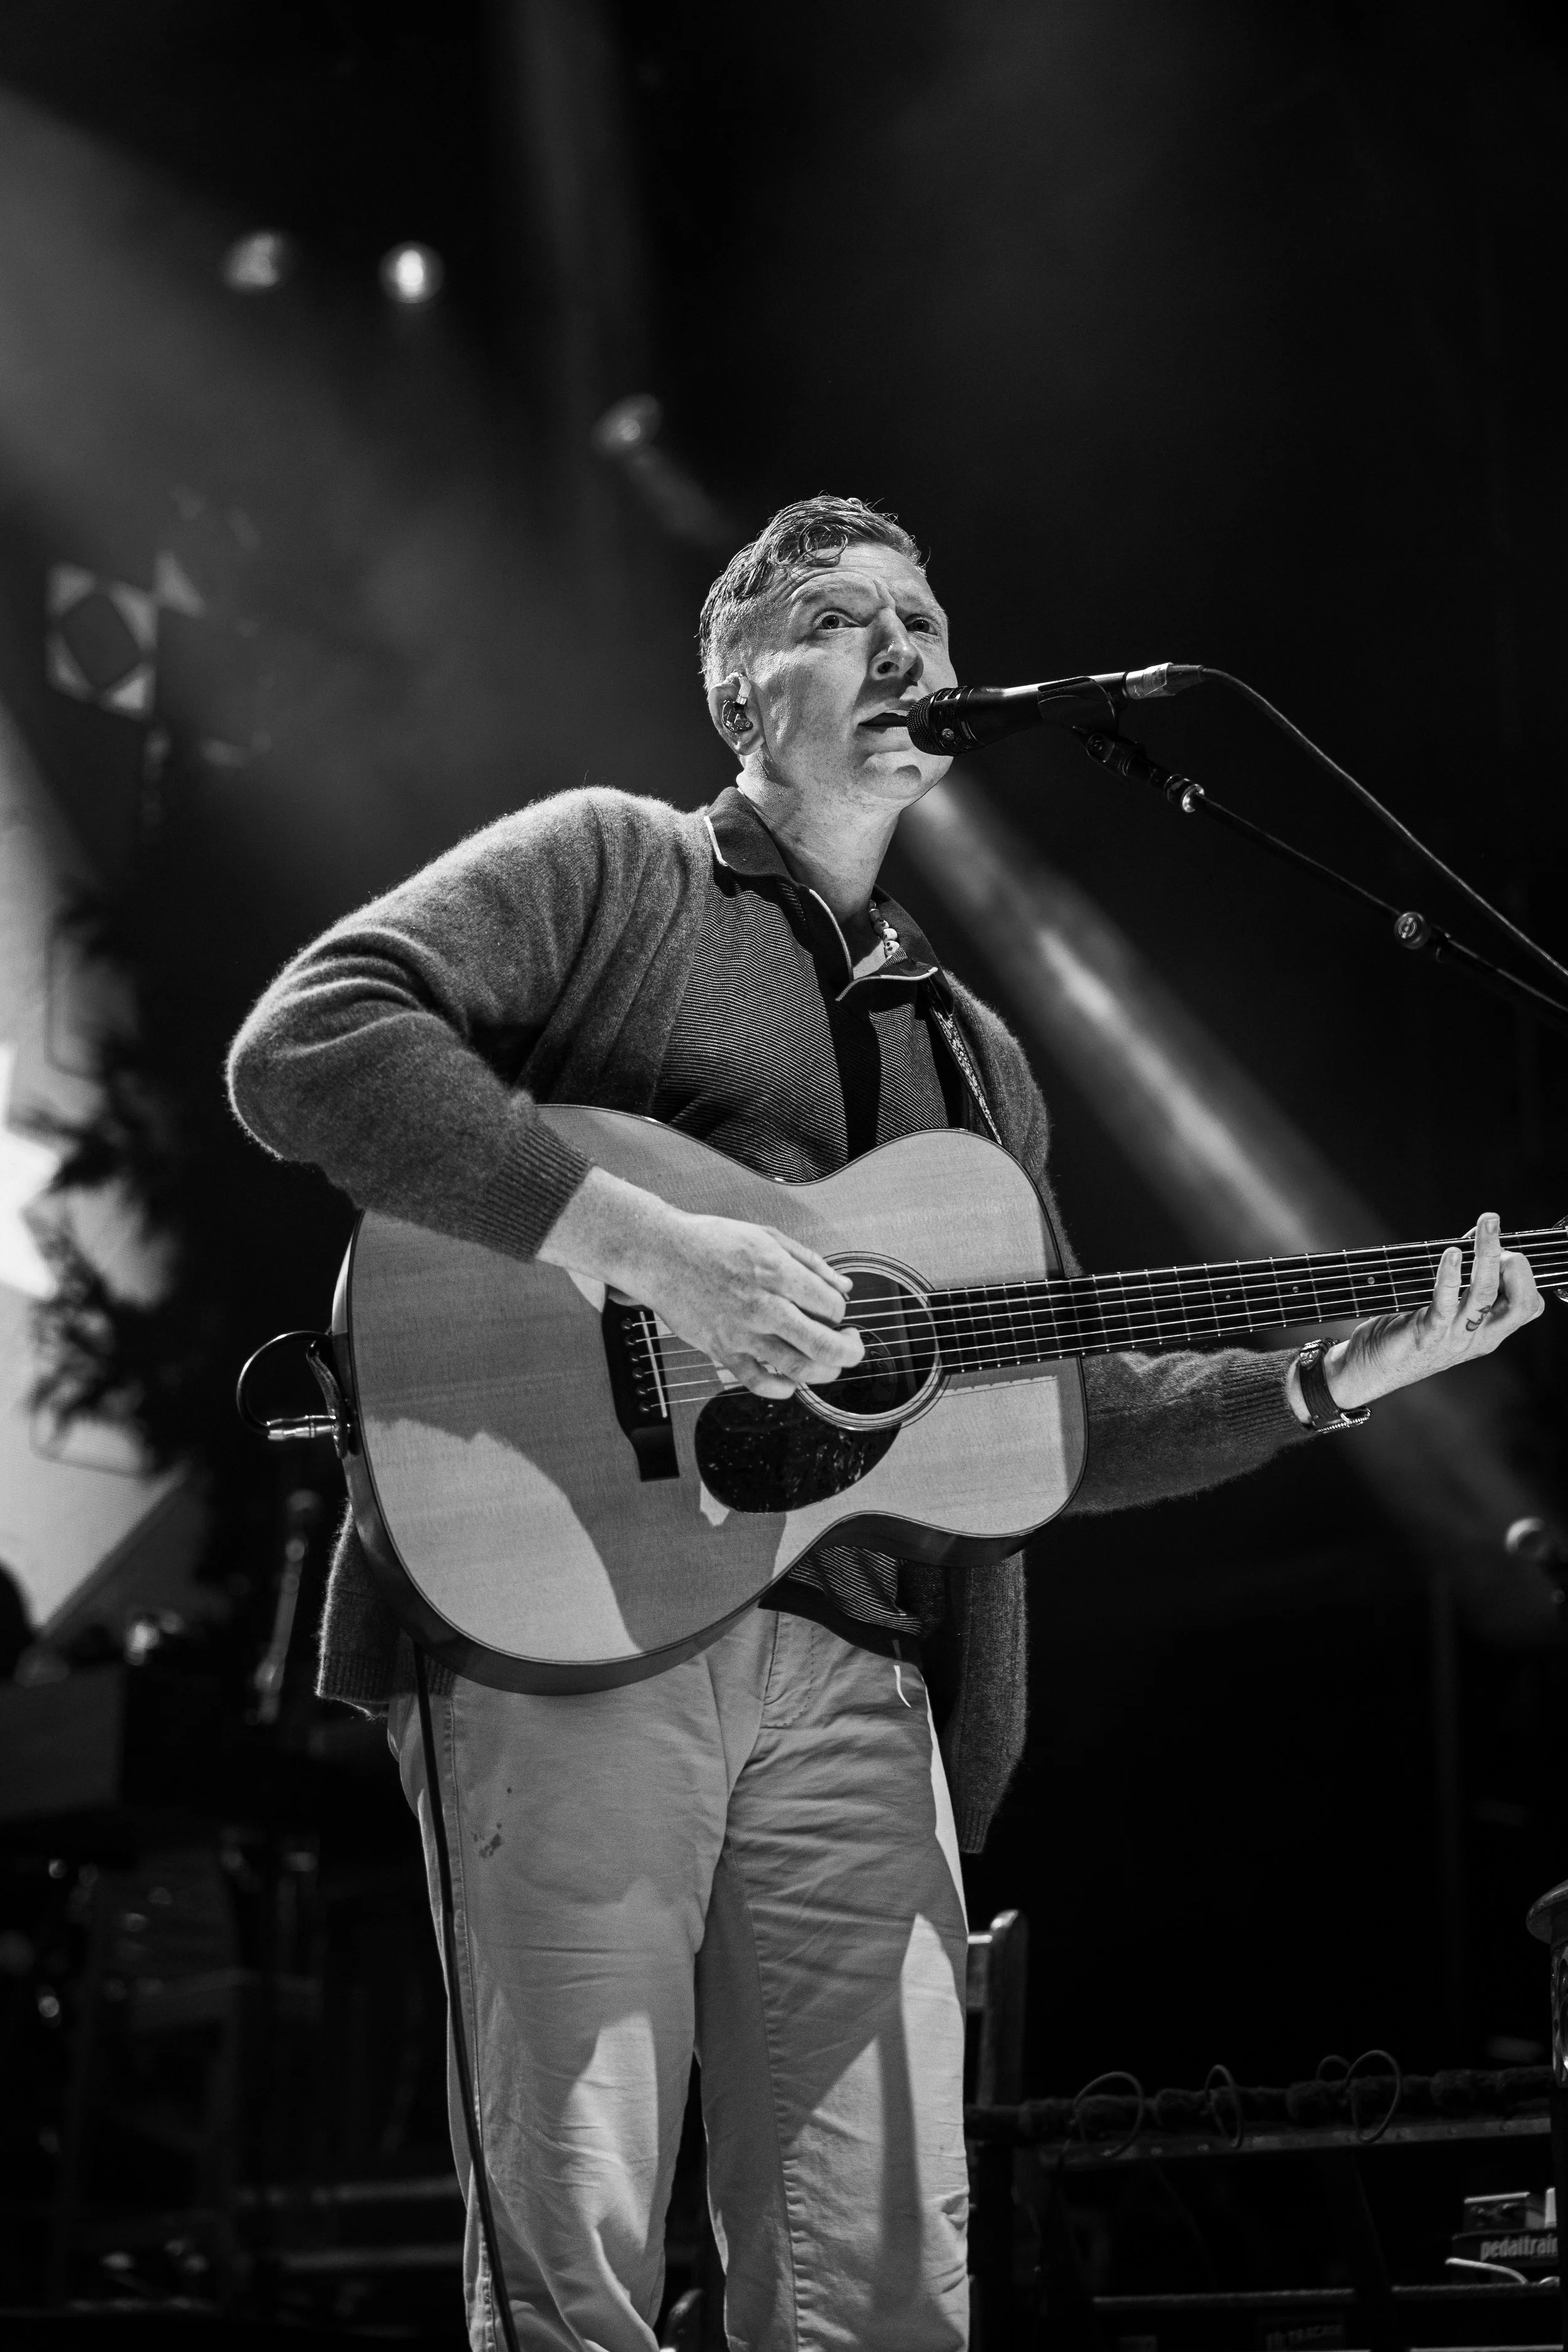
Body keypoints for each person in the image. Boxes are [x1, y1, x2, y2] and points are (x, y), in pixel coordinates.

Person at [226, 495, 1542, 2352]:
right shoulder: (617, 867)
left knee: (883, 2273)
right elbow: (305, 1041)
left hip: (867, 1680)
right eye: (848, 619)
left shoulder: (975, 1055)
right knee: (575, 2259)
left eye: (925, 619)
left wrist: (1332, 1372)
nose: (914, 653)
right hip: (568, 1620)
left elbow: (1059, 1418)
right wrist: (644, 1246)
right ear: (741, 686)